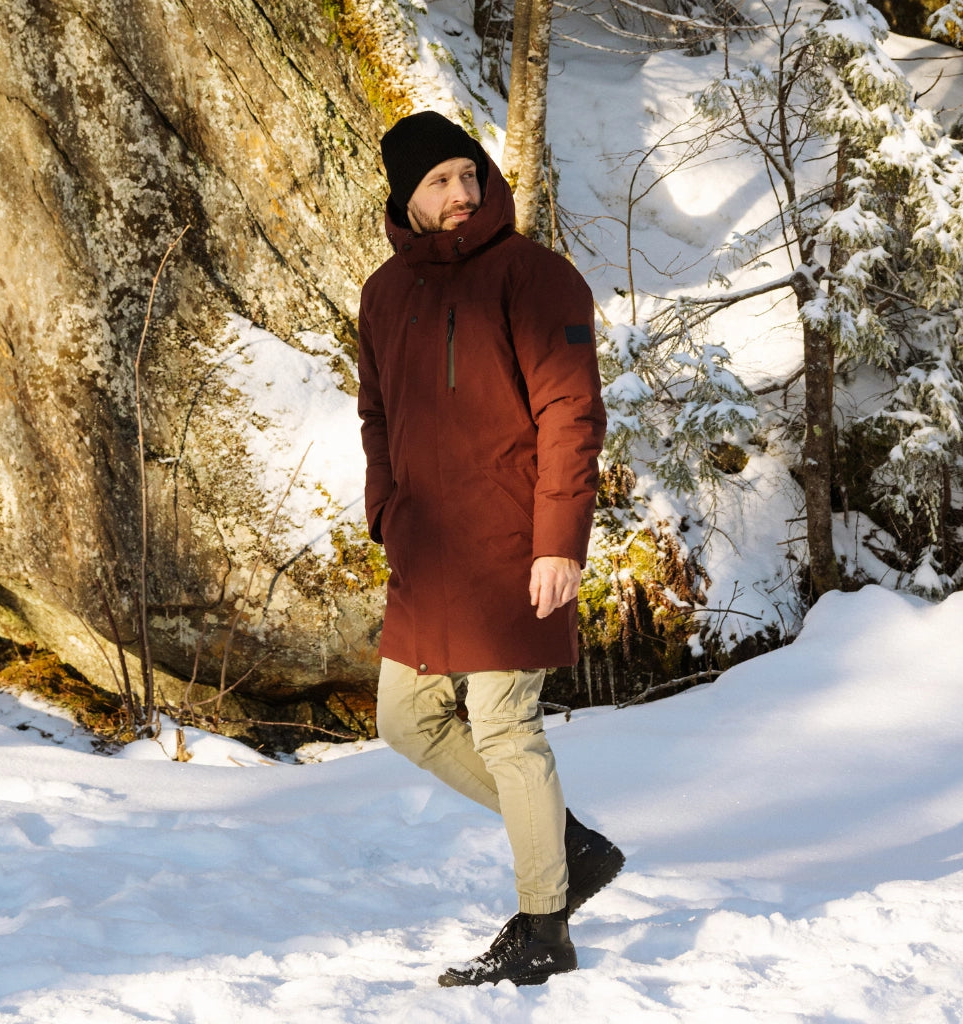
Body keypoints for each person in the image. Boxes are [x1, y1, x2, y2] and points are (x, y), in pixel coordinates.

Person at [357, 110, 624, 987]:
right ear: (406, 196)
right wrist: (386, 511)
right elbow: (376, 416)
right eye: (440, 181)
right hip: (428, 552)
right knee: (407, 721)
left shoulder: (534, 277)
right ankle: (568, 844)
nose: (463, 192)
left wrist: (559, 543)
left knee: (508, 729)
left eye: (470, 174)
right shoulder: (384, 293)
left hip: (514, 543)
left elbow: (571, 415)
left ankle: (545, 928)